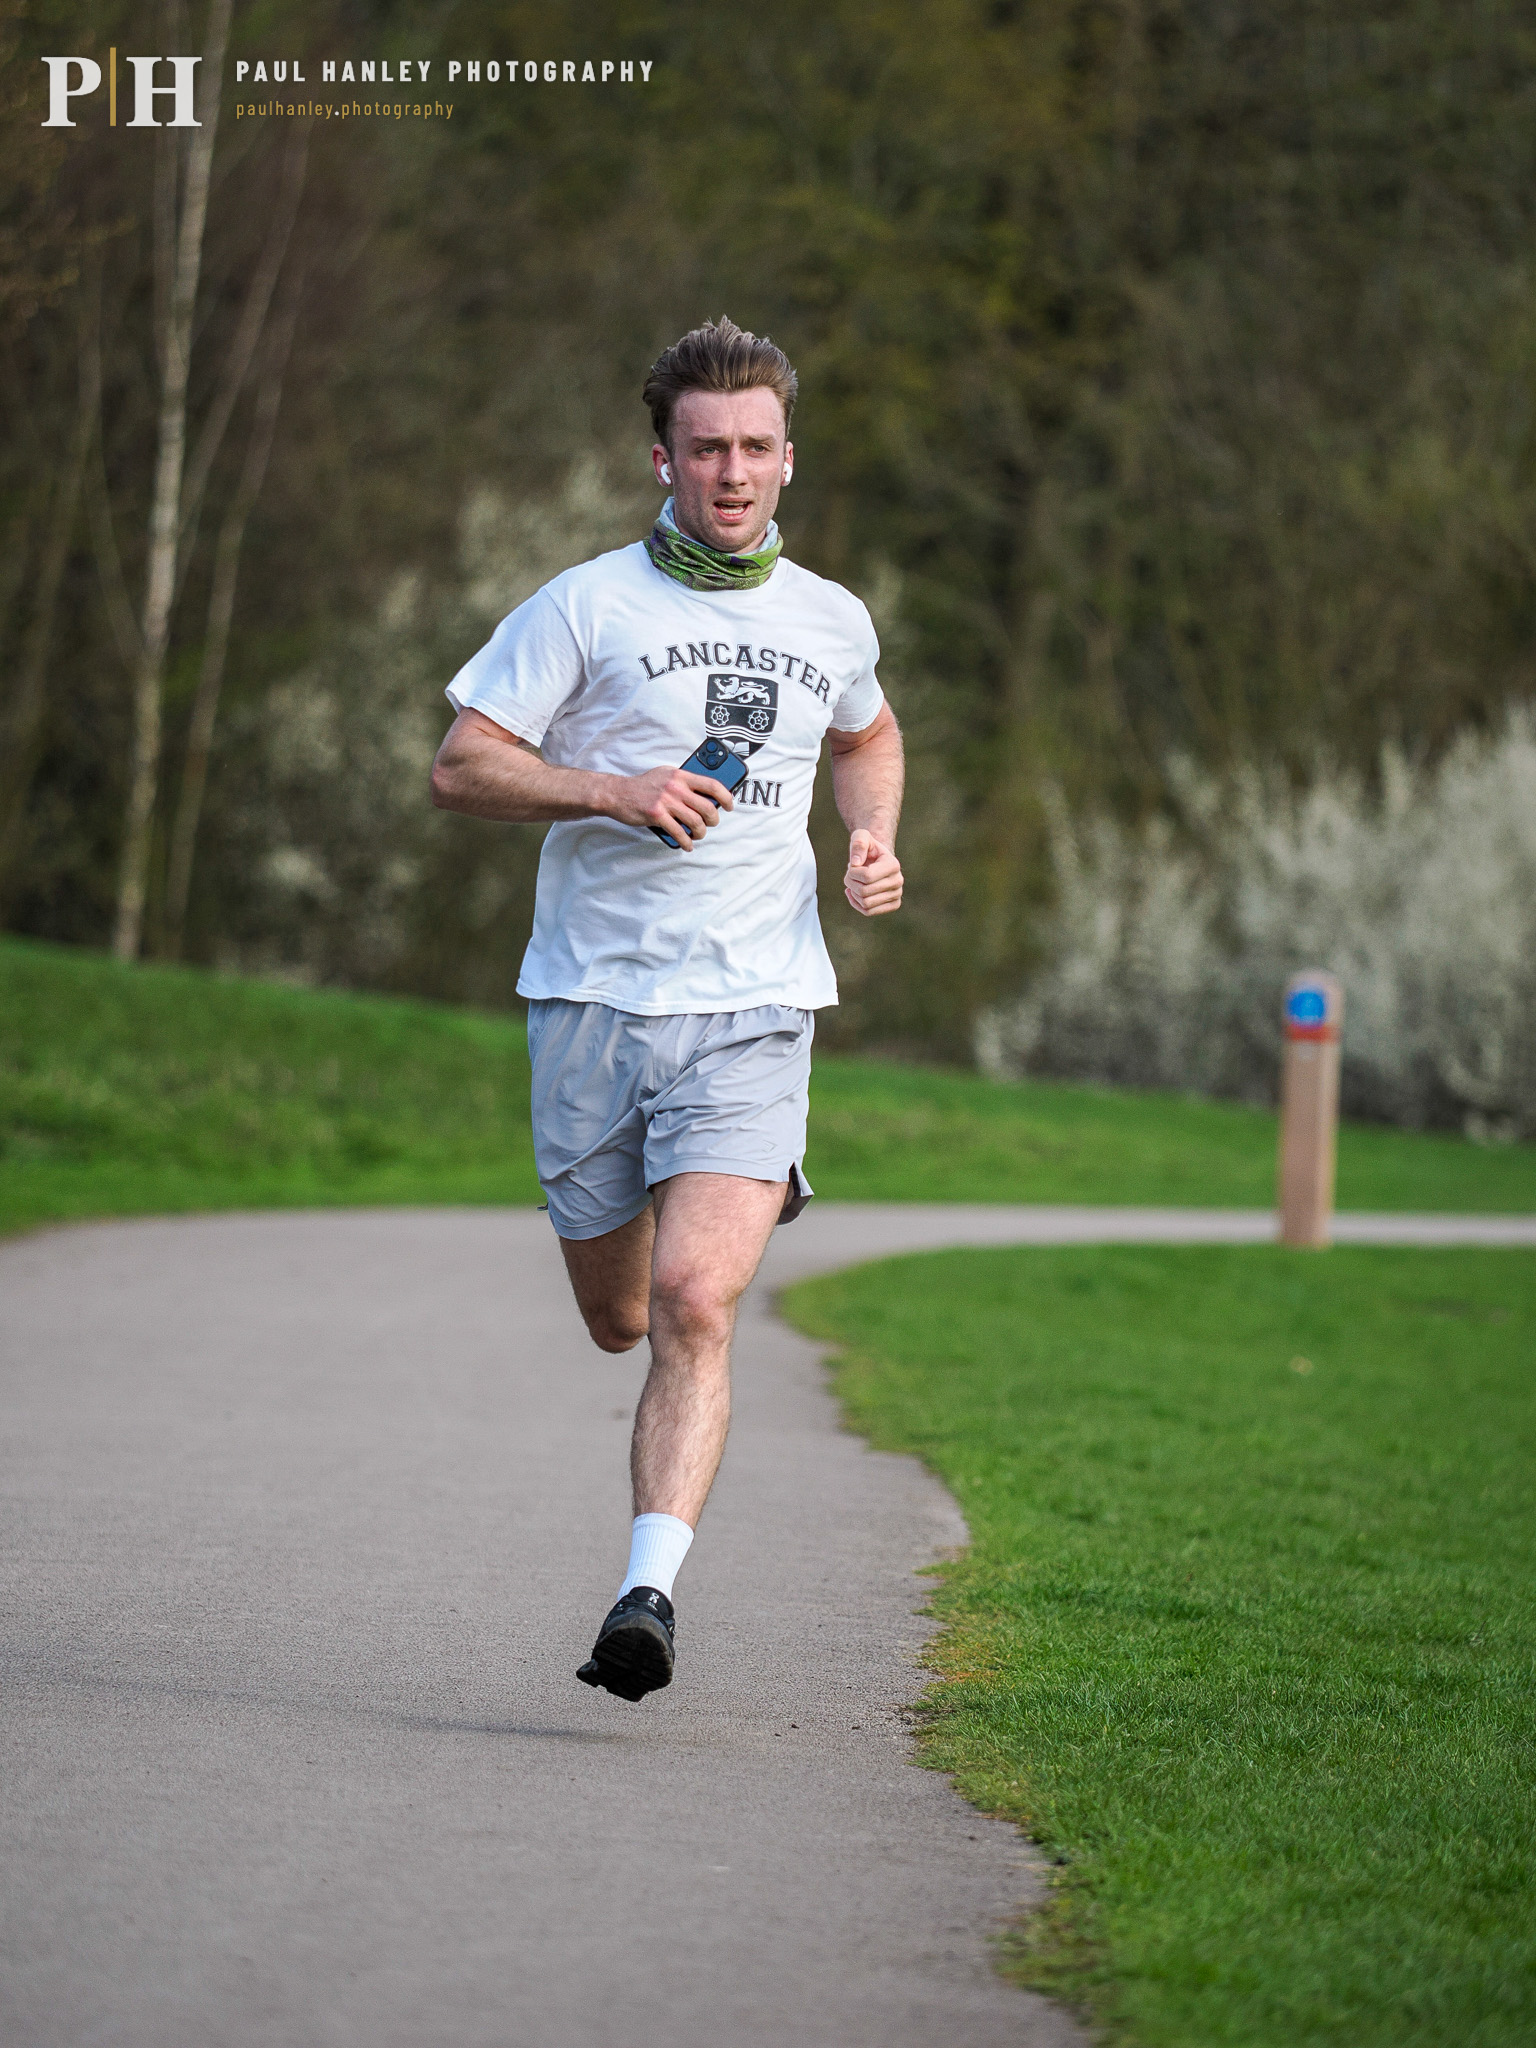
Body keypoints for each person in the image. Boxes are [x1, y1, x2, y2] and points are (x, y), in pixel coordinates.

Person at [430, 316, 905, 1702]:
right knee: (621, 1316)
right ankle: (675, 1216)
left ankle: (648, 1596)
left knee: (698, 1298)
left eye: (756, 447)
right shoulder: (586, 607)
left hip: (758, 1002)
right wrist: (613, 790)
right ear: (664, 460)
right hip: (593, 1001)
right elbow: (461, 766)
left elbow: (869, 731)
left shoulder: (831, 618)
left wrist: (870, 836)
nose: (732, 473)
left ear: (789, 458)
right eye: (707, 449)